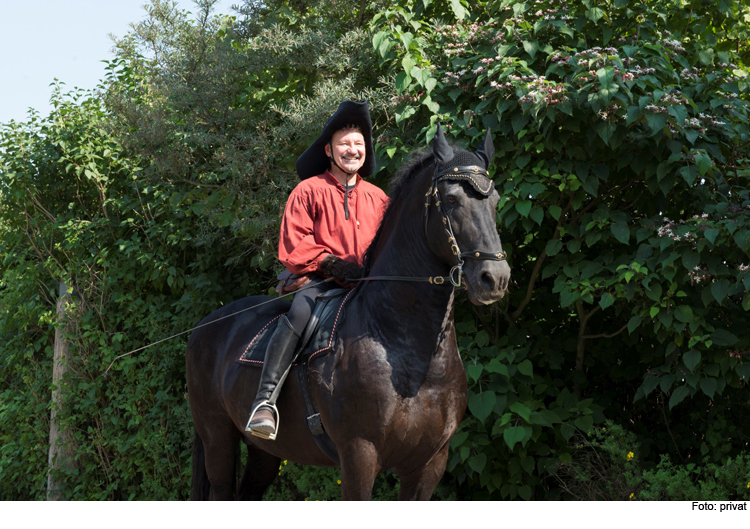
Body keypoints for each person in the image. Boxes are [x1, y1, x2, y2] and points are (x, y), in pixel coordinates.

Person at [245, 100, 388, 440]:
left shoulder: (380, 198)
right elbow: (295, 242)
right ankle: (265, 402)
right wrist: (330, 262)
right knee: (299, 313)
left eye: (359, 144)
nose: (352, 150)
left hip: (367, 285)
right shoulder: (307, 190)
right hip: (321, 283)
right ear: (329, 149)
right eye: (345, 144)